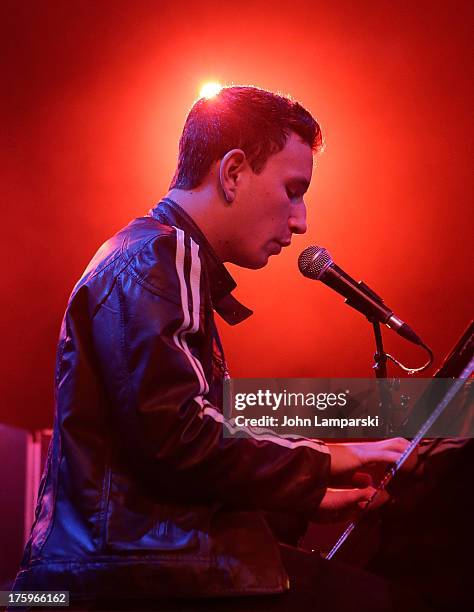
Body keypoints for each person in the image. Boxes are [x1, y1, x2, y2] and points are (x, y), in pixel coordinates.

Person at [12, 86, 432, 611]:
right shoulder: (163, 253)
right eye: (294, 189)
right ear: (233, 172)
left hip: (112, 564)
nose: (302, 222)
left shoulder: (149, 254)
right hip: (130, 577)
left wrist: (300, 495)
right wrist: (329, 457)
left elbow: (157, 457)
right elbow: (180, 436)